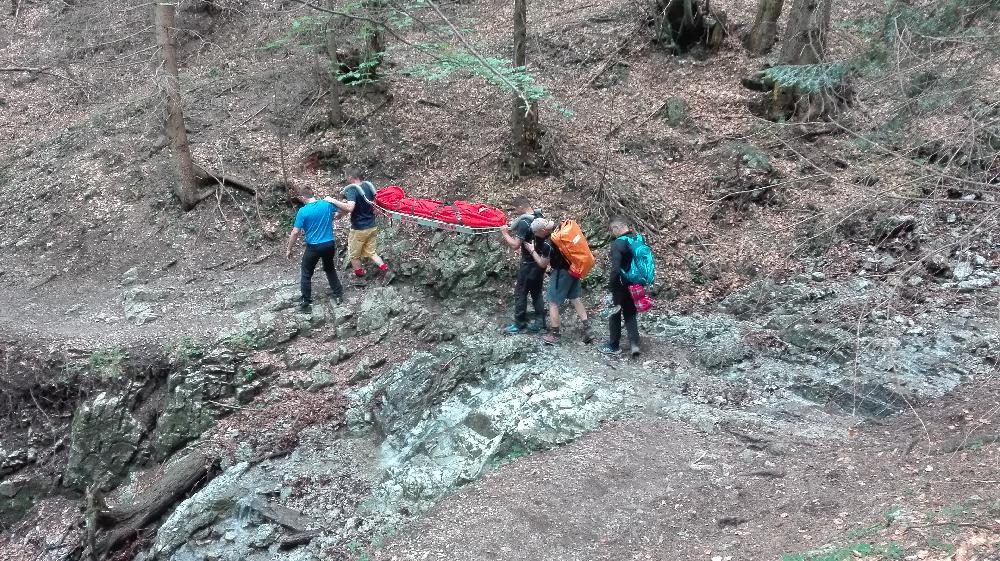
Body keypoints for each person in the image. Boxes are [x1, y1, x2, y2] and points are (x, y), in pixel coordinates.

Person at [525, 218, 592, 345]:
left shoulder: (548, 244)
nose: (535, 235)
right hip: (574, 269)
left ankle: (555, 334)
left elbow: (542, 264)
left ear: (542, 230)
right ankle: (588, 328)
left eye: (536, 232)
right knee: (575, 298)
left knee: (553, 302)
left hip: (561, 273)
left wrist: (532, 250)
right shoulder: (560, 231)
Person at [286, 186, 344, 312]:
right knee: (329, 268)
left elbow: (295, 232)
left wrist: (289, 248)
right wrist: (337, 216)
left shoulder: (303, 211)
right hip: (329, 244)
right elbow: (343, 210)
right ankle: (338, 294)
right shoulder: (326, 204)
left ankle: (306, 302)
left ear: (303, 197)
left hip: (314, 246)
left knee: (306, 273)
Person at [325, 169, 387, 284]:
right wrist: (340, 215)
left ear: (350, 177)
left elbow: (350, 207)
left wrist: (332, 200)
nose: (346, 179)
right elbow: (374, 206)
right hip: (372, 226)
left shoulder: (352, 189)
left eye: (346, 177)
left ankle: (359, 277)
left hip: (359, 229)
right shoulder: (368, 186)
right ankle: (384, 268)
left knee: (354, 255)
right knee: (371, 252)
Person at [499, 197, 545, 334]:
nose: (516, 212)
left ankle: (519, 323)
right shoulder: (539, 216)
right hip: (540, 262)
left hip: (528, 264)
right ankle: (540, 321)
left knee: (520, 292)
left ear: (520, 207)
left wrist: (505, 234)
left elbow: (515, 245)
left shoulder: (524, 222)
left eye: (516, 209)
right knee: (537, 293)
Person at [599, 216, 641, 357]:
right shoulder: (637, 239)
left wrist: (611, 286)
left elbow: (616, 269)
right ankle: (634, 344)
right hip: (635, 283)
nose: (612, 233)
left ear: (617, 228)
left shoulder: (618, 243)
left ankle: (613, 345)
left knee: (614, 313)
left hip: (621, 285)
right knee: (630, 313)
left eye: (612, 230)